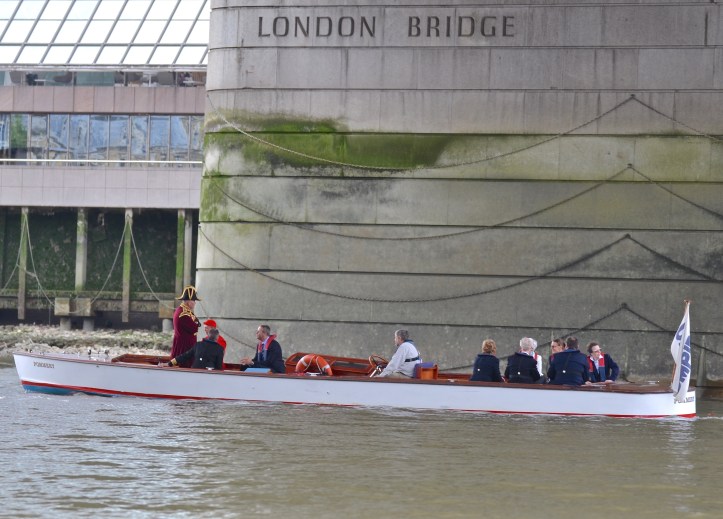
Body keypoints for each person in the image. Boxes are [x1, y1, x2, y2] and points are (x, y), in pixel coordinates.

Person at [170, 285, 201, 368]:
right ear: (189, 301)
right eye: (194, 300)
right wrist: (196, 322)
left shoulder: (182, 311)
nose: (195, 303)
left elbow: (196, 323)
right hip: (184, 348)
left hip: (183, 346)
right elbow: (195, 328)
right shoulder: (183, 314)